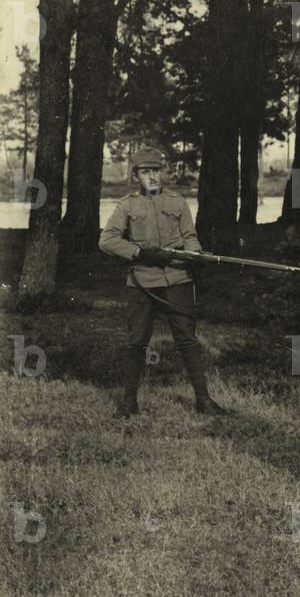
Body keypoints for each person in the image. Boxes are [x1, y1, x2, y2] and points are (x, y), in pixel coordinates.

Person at [98, 147, 227, 418]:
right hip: (142, 282)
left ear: (162, 173)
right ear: (137, 177)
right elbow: (107, 240)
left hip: (178, 278)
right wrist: (139, 253)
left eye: (156, 171)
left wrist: (195, 253)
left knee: (188, 340)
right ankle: (128, 403)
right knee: (136, 342)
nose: (152, 177)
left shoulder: (178, 202)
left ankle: (204, 400)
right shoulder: (127, 206)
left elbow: (189, 235)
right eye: (146, 172)